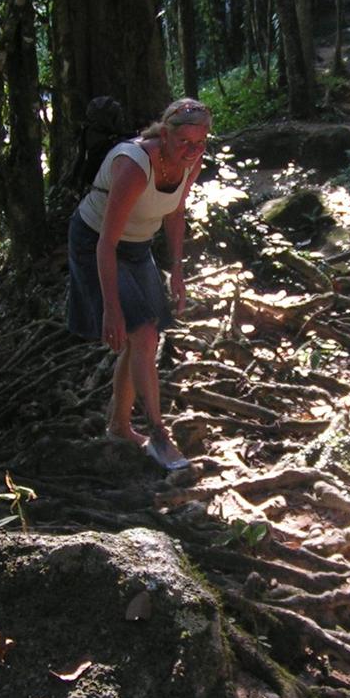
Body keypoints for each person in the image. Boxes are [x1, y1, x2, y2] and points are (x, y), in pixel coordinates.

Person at [66, 98, 212, 470]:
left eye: (201, 143)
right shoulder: (134, 166)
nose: (193, 151)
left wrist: (177, 269)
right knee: (142, 333)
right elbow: (105, 244)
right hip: (95, 242)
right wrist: (111, 309)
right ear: (165, 135)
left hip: (137, 245)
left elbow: (176, 211)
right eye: (185, 143)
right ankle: (159, 435)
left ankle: (119, 425)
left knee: (146, 336)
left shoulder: (189, 162)